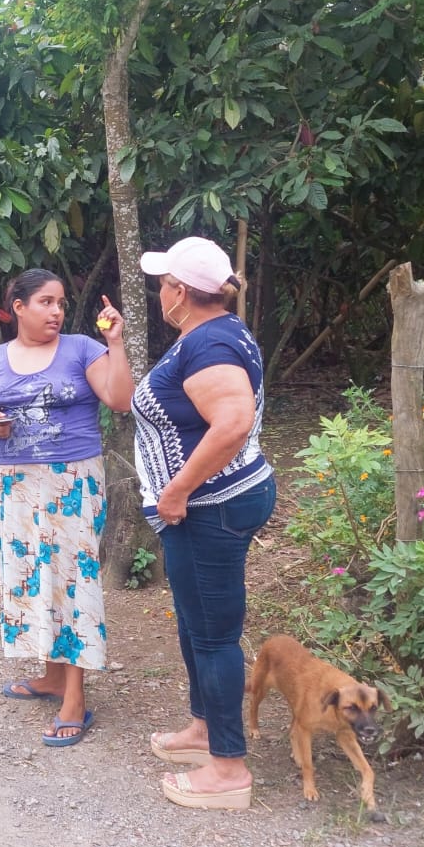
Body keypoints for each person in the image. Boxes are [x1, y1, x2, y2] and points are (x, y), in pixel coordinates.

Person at [0, 269, 133, 747]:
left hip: (71, 481)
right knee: (32, 574)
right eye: (46, 302)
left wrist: (115, 343)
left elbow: (119, 400)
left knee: (71, 580)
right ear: (18, 307)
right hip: (14, 483)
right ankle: (52, 677)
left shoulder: (82, 349)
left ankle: (75, 697)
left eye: (61, 303)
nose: (56, 311)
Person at [134, 237, 277, 810]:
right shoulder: (212, 332)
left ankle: (228, 770)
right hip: (206, 503)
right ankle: (203, 730)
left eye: (163, 284)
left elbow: (233, 422)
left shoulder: (211, 342)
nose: (159, 293)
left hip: (209, 505)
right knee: (196, 624)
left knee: (214, 635)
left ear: (179, 291)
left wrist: (177, 490)